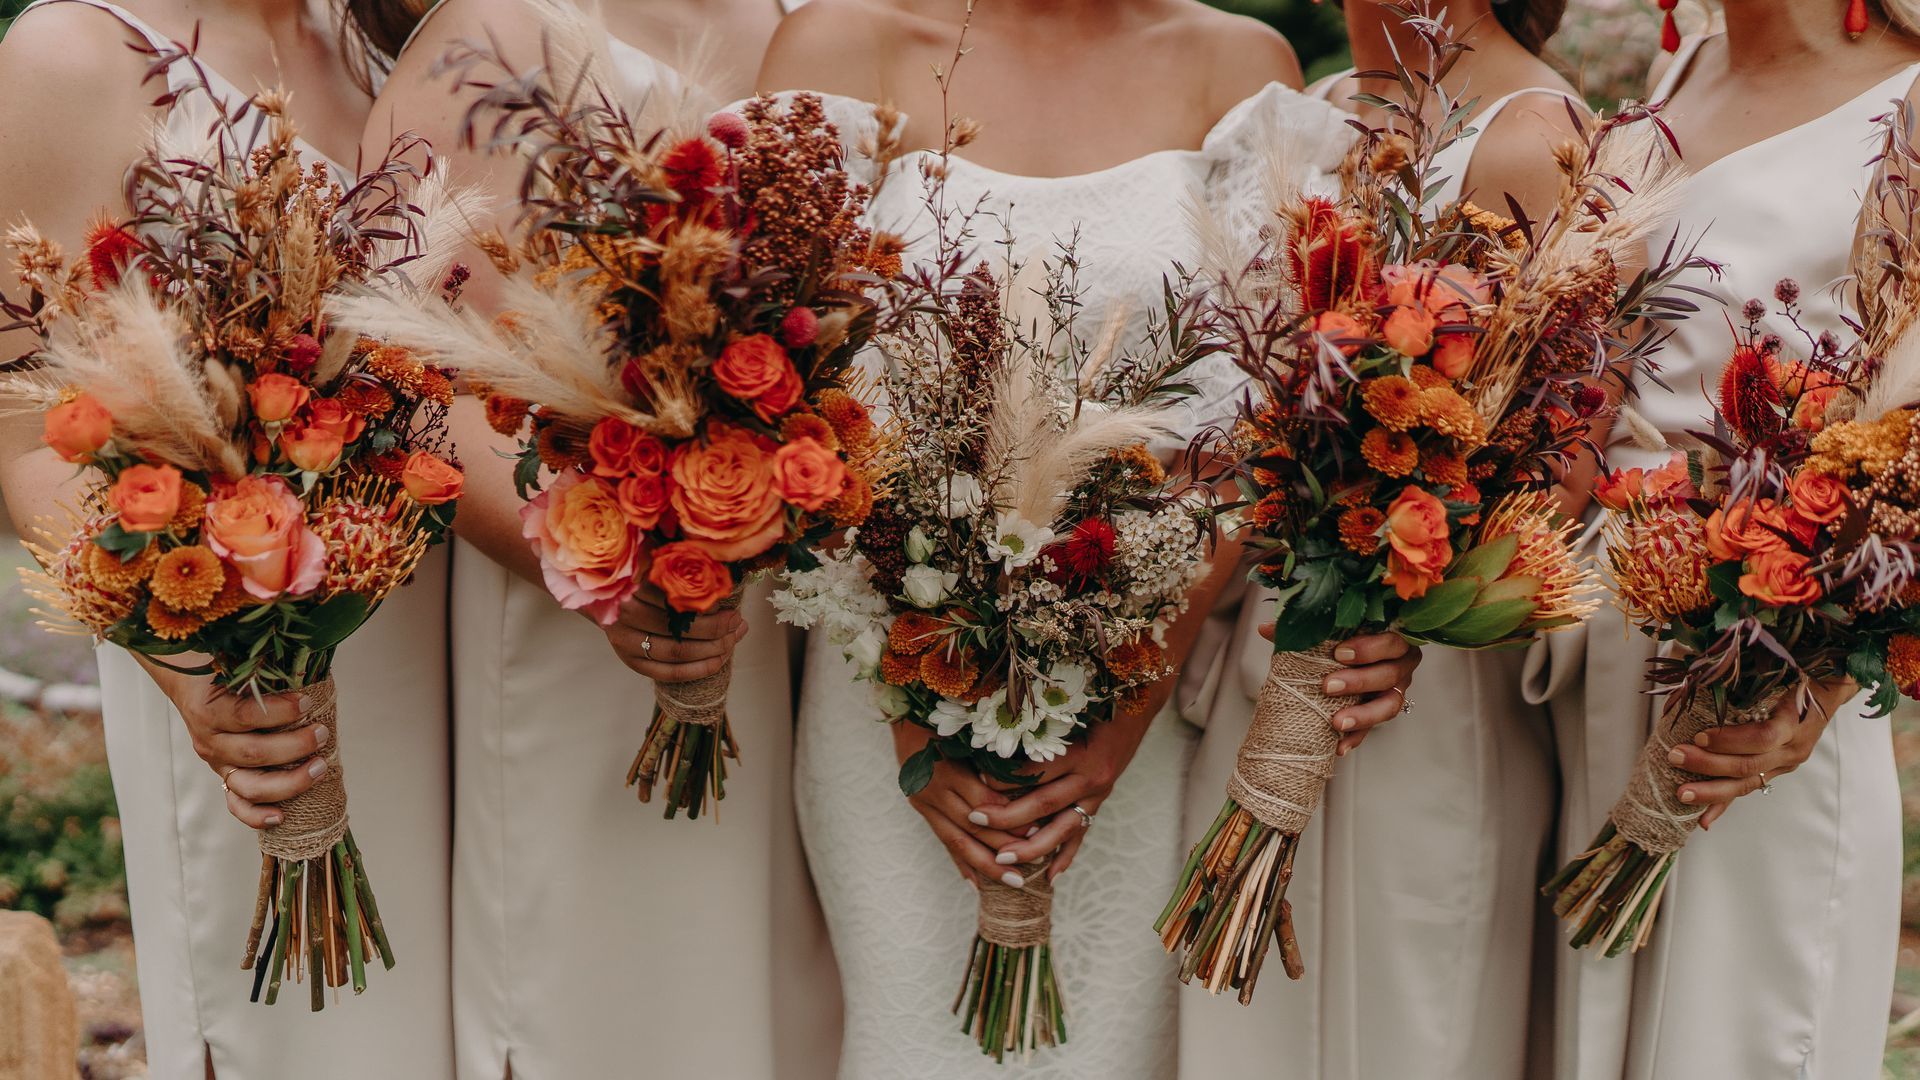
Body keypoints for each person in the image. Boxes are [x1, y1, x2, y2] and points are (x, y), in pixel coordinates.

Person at [757, 2, 1420, 1076]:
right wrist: (911, 708)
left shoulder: (1237, 65)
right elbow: (787, 393)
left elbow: (1268, 420)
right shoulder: (842, 47)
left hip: (1143, 706)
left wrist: (1128, 703)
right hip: (877, 703)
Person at [366, 0, 838, 1076]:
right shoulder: (488, 30)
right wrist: (603, 568)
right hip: (579, 608)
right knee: (602, 989)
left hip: (765, 605)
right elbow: (407, 367)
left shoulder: (795, 17)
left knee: (754, 985)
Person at [0, 0, 453, 1076]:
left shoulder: (380, 37)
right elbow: (28, 436)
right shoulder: (72, 52)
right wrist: (197, 671)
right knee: (300, 1041)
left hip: (430, 629)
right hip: (240, 654)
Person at [1178, 4, 1585, 1078]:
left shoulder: (1530, 135)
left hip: (1418, 698)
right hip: (1260, 665)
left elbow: (1562, 481)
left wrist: (1404, 591)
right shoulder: (1308, 111)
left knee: (1408, 1030)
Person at [1532, 2, 1920, 1076]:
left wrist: (1826, 674)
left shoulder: (1910, 98)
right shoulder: (1678, 74)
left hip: (1768, 671)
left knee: (1735, 1031)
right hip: (1602, 643)